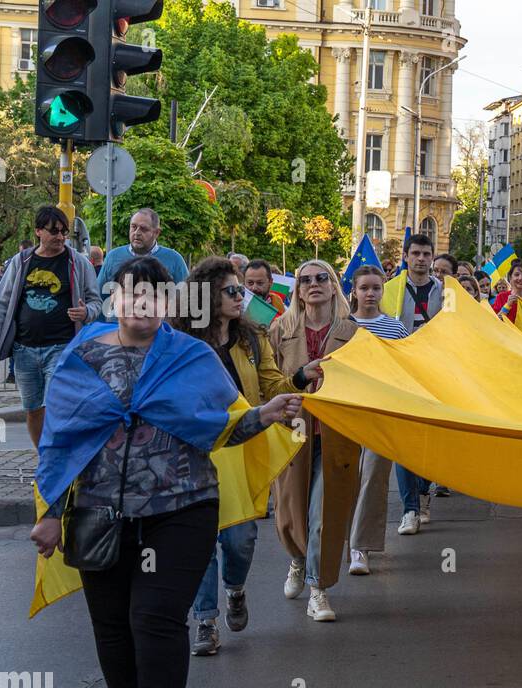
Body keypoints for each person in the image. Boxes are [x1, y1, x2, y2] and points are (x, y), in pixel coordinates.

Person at [29, 255, 302, 688]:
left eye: (155, 296)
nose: (143, 304)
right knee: (111, 626)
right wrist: (49, 516)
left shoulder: (190, 358)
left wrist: (264, 414)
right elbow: (62, 445)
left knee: (154, 618)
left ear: (169, 303)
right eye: (133, 294)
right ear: (116, 300)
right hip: (98, 511)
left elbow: (222, 425)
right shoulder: (80, 358)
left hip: (181, 508)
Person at [178, 257, 316, 655]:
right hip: (199, 450)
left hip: (242, 449)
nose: (243, 297)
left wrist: (301, 378)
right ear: (207, 296)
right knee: (200, 541)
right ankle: (205, 622)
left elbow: (272, 384)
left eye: (242, 289)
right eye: (233, 291)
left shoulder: (252, 339)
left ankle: (235, 589)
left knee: (239, 539)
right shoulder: (182, 341)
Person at [269, 259, 362, 623]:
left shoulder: (352, 333)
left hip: (337, 433)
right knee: (291, 508)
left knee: (324, 510)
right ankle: (296, 558)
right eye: (305, 280)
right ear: (297, 290)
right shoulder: (281, 329)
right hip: (293, 430)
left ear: (333, 284)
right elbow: (270, 381)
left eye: (321, 277)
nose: (313, 284)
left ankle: (317, 590)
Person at [0, 206, 102, 447]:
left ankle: (59, 457)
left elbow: (96, 301)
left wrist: (87, 312)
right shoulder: (21, 262)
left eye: (64, 232)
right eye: (54, 231)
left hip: (62, 348)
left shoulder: (77, 262)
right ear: (38, 232)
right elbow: (0, 304)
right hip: (24, 351)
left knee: (55, 404)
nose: (60, 237)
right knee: (33, 409)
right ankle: (44, 458)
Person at [345, 265, 428, 571]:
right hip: (346, 413)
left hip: (382, 414)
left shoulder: (394, 328)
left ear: (383, 291)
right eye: (364, 288)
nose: (370, 293)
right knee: (346, 481)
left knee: (372, 480)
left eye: (376, 288)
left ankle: (360, 548)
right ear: (354, 291)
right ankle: (341, 541)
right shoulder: (343, 326)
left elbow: (410, 366)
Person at [97, 208, 189, 287]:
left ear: (156, 233)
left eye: (143, 229)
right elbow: (99, 296)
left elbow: (187, 297)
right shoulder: (113, 257)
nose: (137, 233)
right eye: (133, 227)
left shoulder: (174, 259)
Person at [397, 233, 445, 331]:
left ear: (432, 258)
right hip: (399, 345)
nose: (421, 258)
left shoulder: (446, 290)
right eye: (415, 253)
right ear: (405, 257)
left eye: (426, 254)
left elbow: (452, 322)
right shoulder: (389, 289)